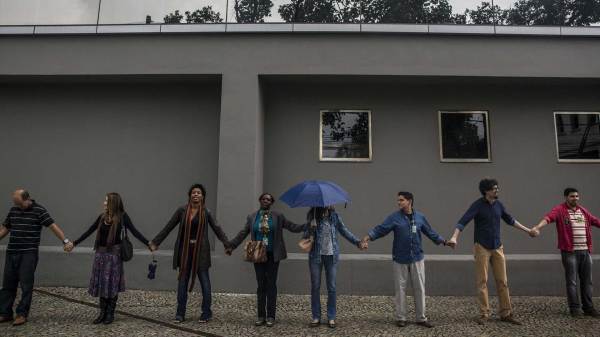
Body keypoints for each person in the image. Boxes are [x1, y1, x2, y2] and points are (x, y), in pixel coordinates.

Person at [447, 178, 533, 325]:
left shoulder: (499, 205)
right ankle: (484, 314)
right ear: (486, 191)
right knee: (482, 282)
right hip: (482, 247)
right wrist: (454, 237)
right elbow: (463, 221)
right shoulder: (477, 205)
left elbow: (510, 220)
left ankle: (506, 313)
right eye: (494, 188)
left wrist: (528, 230)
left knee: (503, 281)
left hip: (497, 247)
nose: (497, 190)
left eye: (497, 188)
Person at [361, 191, 450, 328]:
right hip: (400, 258)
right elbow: (381, 229)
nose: (399, 202)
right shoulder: (394, 217)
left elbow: (430, 232)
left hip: (417, 258)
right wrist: (368, 237)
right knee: (400, 289)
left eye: (401, 200)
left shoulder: (420, 217)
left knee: (420, 288)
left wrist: (444, 241)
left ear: (409, 201)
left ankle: (421, 318)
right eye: (398, 200)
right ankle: (401, 317)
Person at [148, 184, 229, 323]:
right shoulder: (182, 210)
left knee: (205, 282)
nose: (196, 195)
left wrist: (228, 245)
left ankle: (206, 313)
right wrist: (156, 242)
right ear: (190, 195)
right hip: (184, 251)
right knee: (182, 282)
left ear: (203, 196)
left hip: (201, 252)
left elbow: (218, 229)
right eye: (193, 192)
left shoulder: (206, 212)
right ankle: (180, 313)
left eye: (198, 193)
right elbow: (169, 226)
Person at [66, 192, 151, 324]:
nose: (104, 203)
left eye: (106, 201)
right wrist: (74, 243)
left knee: (112, 284)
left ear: (113, 202)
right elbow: (89, 230)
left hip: (114, 257)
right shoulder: (102, 217)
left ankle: (110, 313)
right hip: (100, 255)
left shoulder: (123, 217)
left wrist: (148, 243)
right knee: (102, 284)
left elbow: (135, 232)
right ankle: (102, 312)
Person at [226, 193, 306, 327]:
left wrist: (306, 226)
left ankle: (271, 316)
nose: (266, 201)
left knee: (271, 284)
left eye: (268, 199)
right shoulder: (253, 217)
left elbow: (292, 227)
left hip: (273, 255)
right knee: (261, 285)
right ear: (260, 201)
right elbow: (243, 233)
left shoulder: (278, 216)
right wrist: (231, 245)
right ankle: (261, 316)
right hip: (258, 254)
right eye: (264, 199)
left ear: (271, 202)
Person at [0, 189, 71, 326]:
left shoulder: (39, 210)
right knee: (8, 284)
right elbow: (5, 229)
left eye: (20, 204)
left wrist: (66, 241)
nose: (18, 207)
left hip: (28, 253)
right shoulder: (13, 210)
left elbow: (53, 226)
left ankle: (22, 314)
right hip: (12, 252)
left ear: (27, 199)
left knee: (26, 285)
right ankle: (5, 313)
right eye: (17, 204)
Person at [530, 187, 600, 318]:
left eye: (577, 196)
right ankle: (575, 309)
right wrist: (537, 227)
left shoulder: (583, 211)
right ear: (566, 197)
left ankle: (589, 308)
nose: (575, 199)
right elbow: (548, 218)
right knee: (572, 281)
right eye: (572, 196)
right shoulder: (560, 210)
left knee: (587, 281)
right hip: (570, 252)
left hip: (585, 251)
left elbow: (596, 221)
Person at [304, 206, 365, 329]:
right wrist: (311, 228)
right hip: (316, 256)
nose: (331, 203)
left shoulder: (335, 217)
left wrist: (357, 242)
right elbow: (305, 235)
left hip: (331, 257)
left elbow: (344, 231)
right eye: (328, 202)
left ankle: (331, 316)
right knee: (315, 286)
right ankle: (316, 317)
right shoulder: (313, 216)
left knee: (331, 287)